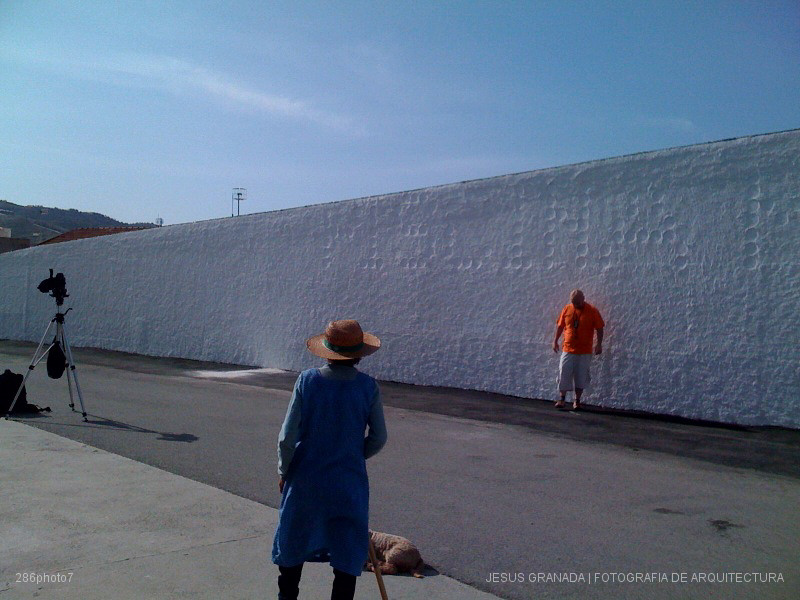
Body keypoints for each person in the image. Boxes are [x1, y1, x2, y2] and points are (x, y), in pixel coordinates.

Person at [272, 319, 388, 600]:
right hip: (348, 482)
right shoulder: (368, 387)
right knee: (346, 552)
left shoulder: (307, 381)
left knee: (293, 545)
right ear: (359, 353)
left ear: (326, 350)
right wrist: (353, 454)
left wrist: (283, 470)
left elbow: (287, 437)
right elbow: (378, 437)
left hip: (305, 480)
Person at [552, 289, 605, 410]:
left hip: (584, 351)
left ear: (583, 299)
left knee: (581, 376)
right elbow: (560, 326)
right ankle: (562, 399)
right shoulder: (567, 309)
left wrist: (599, 344)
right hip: (568, 349)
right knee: (563, 372)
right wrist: (555, 341)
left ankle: (577, 400)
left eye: (578, 303)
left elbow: (600, 328)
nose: (576, 305)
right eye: (574, 303)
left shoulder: (592, 310)